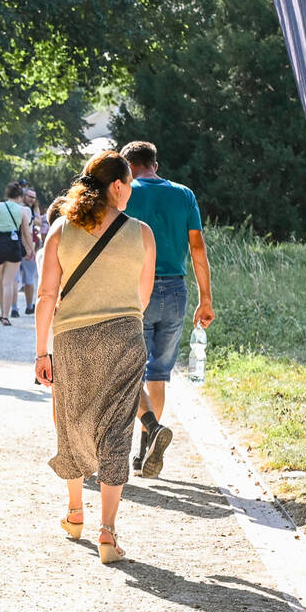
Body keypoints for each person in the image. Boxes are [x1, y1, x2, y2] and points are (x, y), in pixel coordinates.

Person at [35, 151, 156, 564]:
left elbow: (46, 296)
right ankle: (108, 533)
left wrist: (41, 351)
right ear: (117, 186)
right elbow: (142, 297)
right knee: (117, 430)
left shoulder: (60, 229)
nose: (130, 192)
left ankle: (74, 512)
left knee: (70, 421)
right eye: (129, 185)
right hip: (125, 337)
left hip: (72, 338)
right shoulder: (142, 233)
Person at [119, 141, 214, 478]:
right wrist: (206, 298)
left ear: (128, 167)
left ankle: (146, 432)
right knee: (158, 373)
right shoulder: (184, 194)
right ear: (155, 165)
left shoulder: (125, 192)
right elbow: (198, 247)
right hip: (176, 290)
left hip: (136, 289)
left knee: (128, 371)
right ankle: (146, 448)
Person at [0, 182, 33, 325]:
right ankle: (6, 316)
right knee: (9, 283)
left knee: (0, 283)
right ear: (20, 196)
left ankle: (2, 313)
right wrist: (30, 249)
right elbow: (26, 233)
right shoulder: (22, 210)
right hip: (14, 246)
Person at [14, 187, 45, 317]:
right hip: (21, 244)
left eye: (34, 197)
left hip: (28, 243)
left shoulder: (32, 208)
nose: (32, 199)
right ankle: (15, 308)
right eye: (30, 196)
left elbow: (39, 222)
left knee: (28, 278)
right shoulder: (20, 208)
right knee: (16, 279)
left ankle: (27, 307)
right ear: (23, 196)